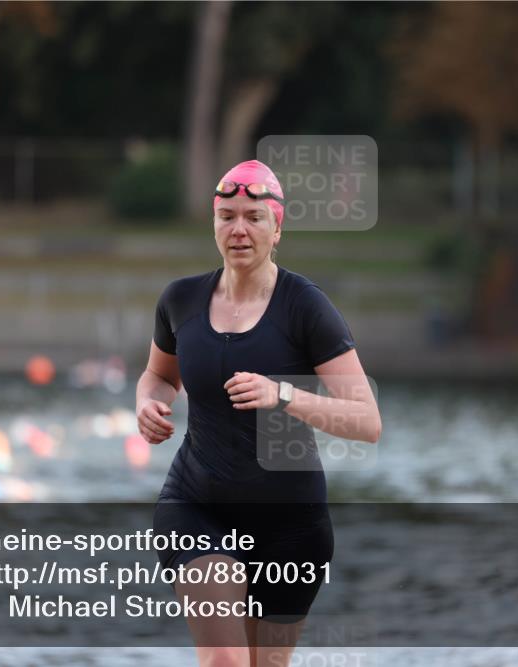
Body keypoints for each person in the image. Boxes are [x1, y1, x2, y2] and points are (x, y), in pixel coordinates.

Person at [137, 159, 382, 667]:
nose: (239, 229)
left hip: (290, 525)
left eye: (253, 217)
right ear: (213, 222)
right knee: (225, 661)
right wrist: (149, 403)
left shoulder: (305, 307)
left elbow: (367, 421)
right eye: (227, 216)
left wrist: (283, 395)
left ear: (277, 228)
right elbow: (159, 375)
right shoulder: (180, 300)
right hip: (196, 505)